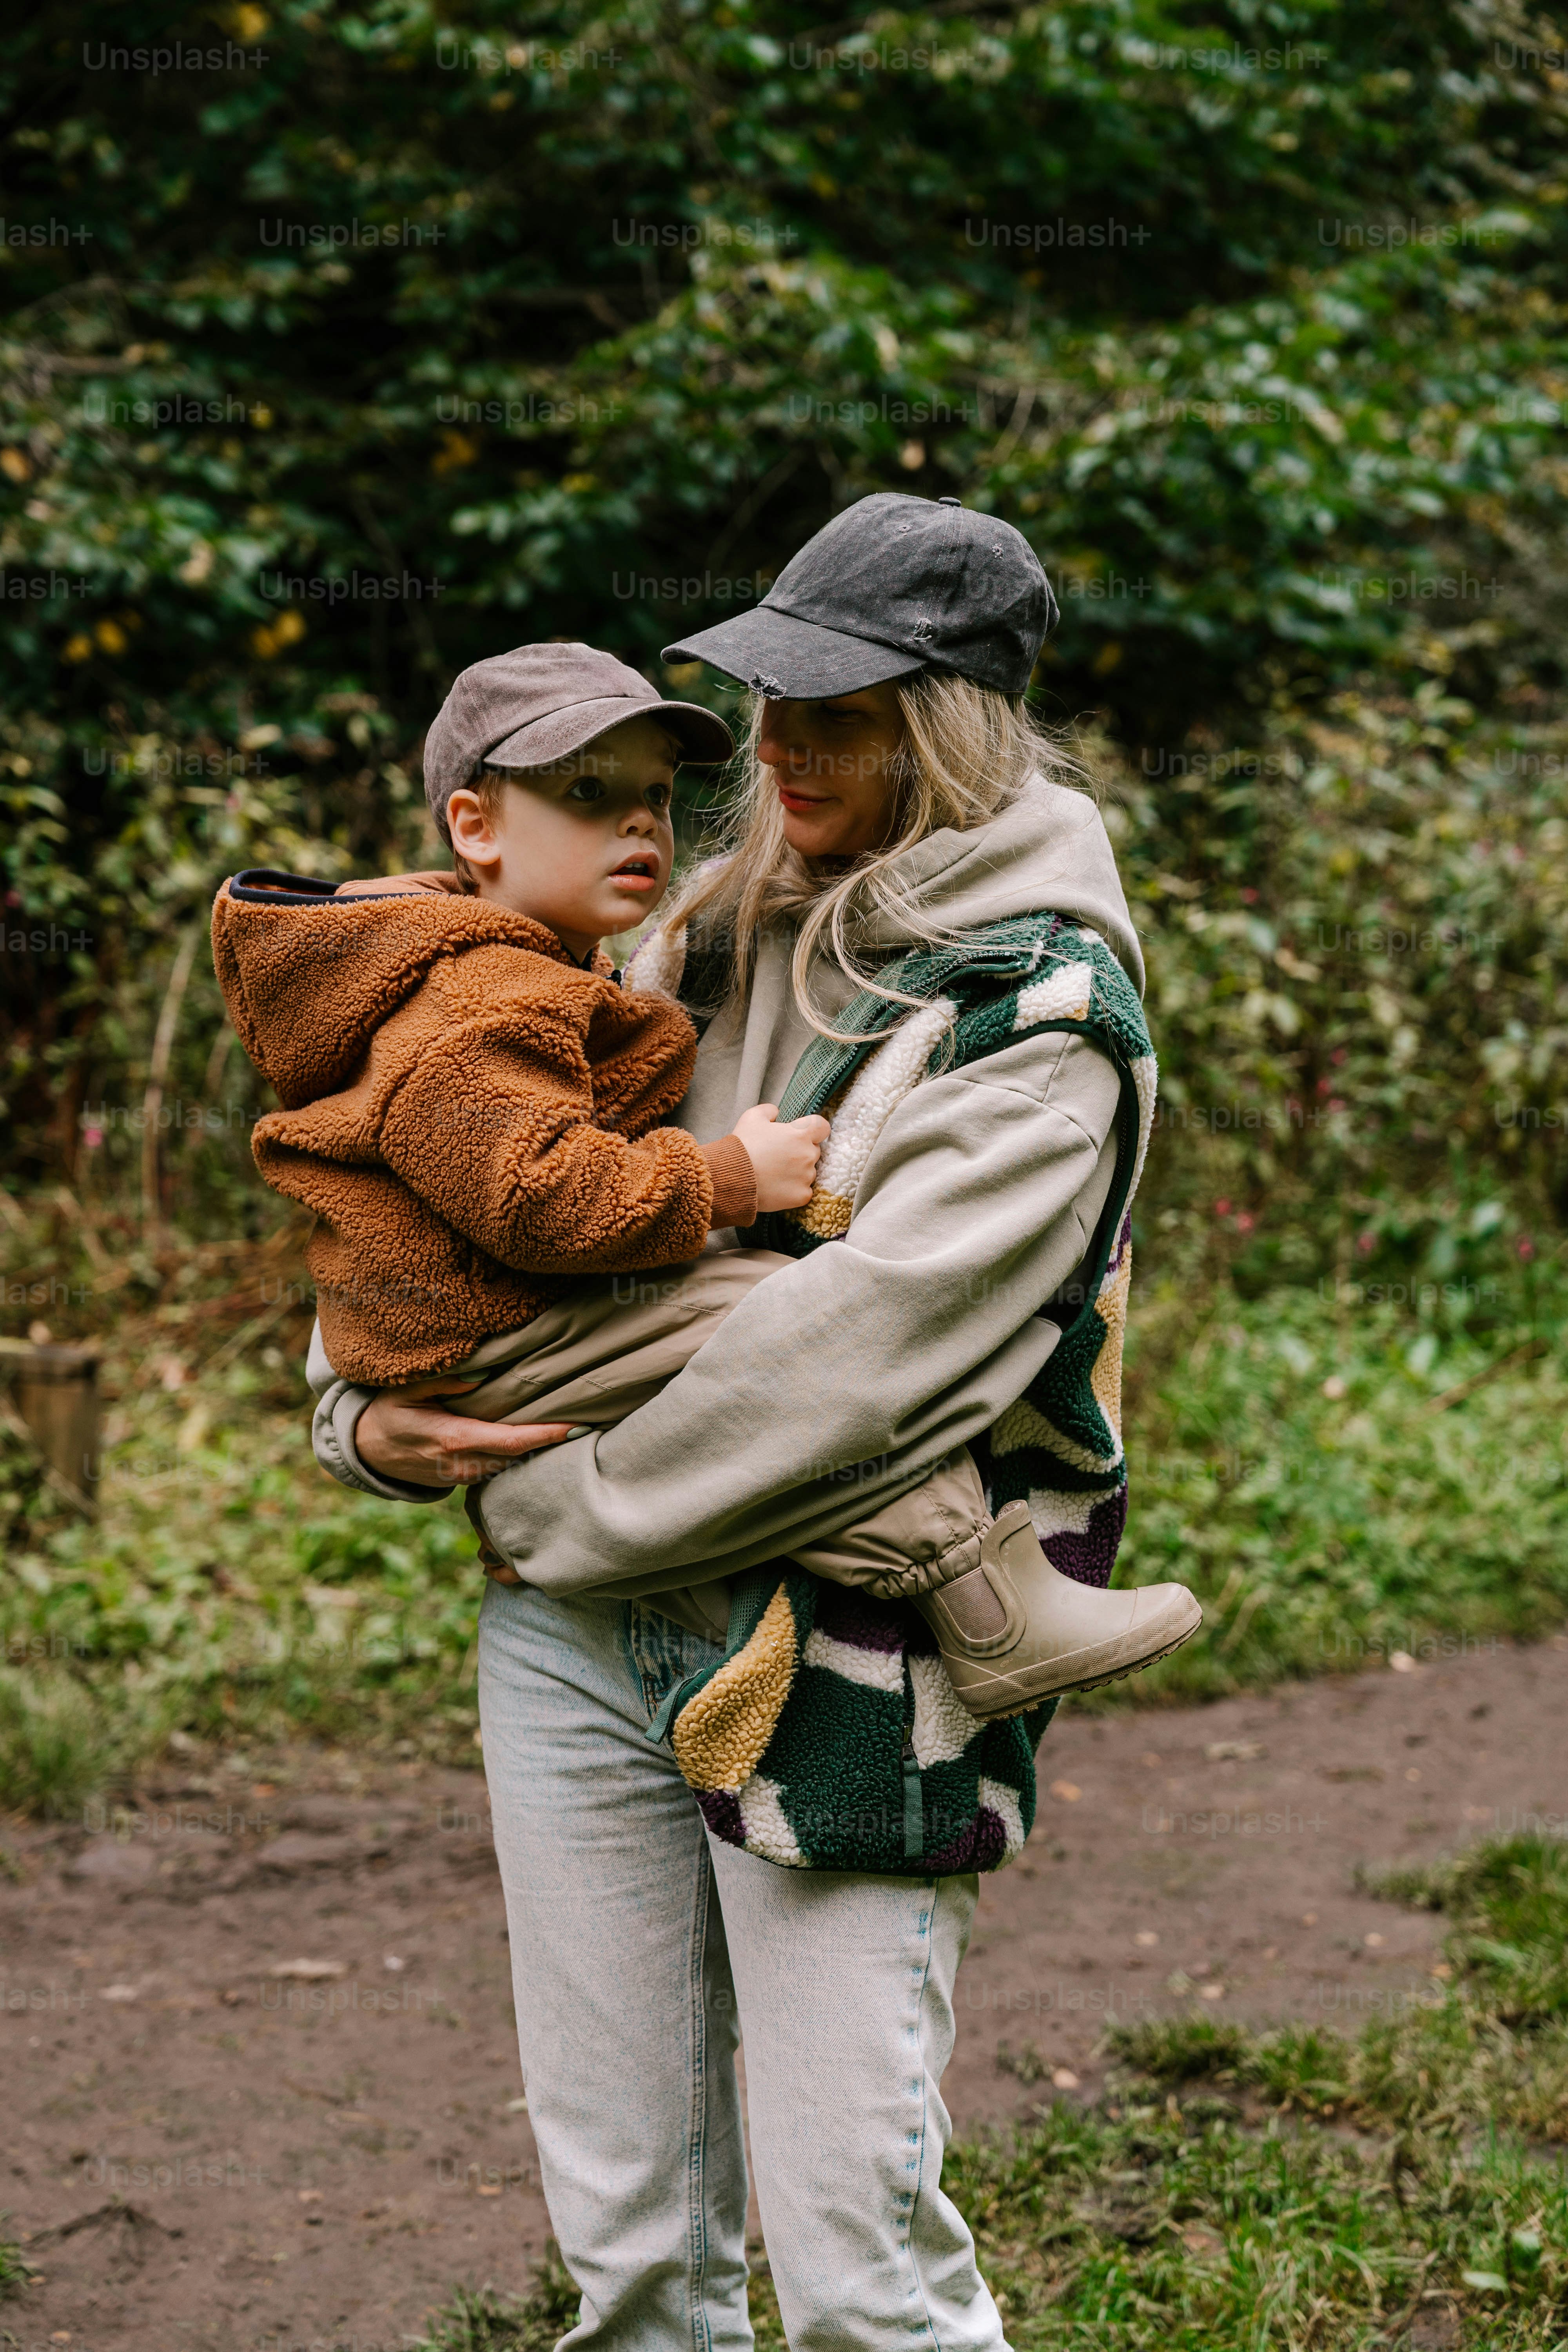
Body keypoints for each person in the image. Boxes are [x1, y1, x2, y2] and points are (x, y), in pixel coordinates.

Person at [309, 492, 1194, 2348]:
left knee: (860, 2267)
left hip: (847, 1653)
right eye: (768, 701)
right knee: (637, 2263)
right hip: (573, 1650)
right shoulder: (704, 933)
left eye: (835, 713)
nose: (775, 749)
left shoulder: (1039, 1013)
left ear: (946, 725)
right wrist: (361, 1421)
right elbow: (469, 1186)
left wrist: (544, 1513)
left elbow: (855, 1358)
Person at [223, 636, 1196, 1719]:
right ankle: (990, 1598)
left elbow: (858, 1369)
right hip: (503, 1344)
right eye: (589, 794)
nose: (642, 822)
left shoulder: (1029, 1006)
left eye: (653, 794)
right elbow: (538, 1199)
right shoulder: (494, 997)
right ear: (475, 827)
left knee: (795, 1357)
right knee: (755, 1313)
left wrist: (468, 1470)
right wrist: (726, 1179)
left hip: (548, 1397)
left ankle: (991, 1606)